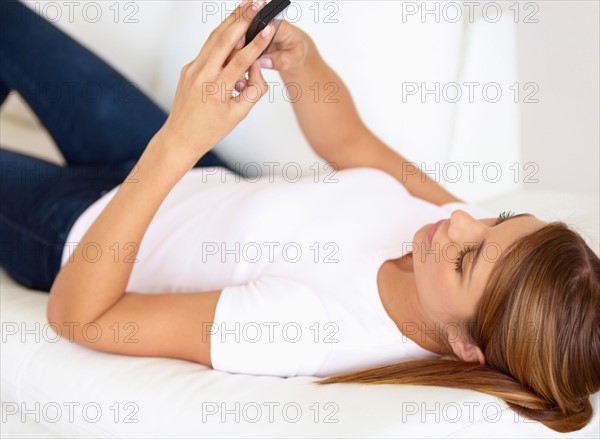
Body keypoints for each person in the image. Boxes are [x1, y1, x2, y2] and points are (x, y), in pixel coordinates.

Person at [1, 0, 598, 433]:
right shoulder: (451, 228)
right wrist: (302, 61)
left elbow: (83, 316)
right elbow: (354, 145)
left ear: (470, 349)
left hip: (79, 233)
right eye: (501, 219)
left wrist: (178, 140)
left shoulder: (314, 327)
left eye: (469, 258)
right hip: (184, 171)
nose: (463, 221)